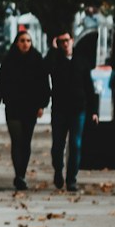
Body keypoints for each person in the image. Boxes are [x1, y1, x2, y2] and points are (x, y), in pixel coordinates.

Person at [0, 29, 50, 190]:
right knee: (17, 140)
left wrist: (42, 105)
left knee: (26, 142)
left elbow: (44, 85)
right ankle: (18, 175)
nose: (25, 44)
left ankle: (22, 173)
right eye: (22, 40)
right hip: (13, 106)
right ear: (17, 43)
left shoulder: (37, 60)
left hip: (30, 107)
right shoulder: (9, 61)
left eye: (28, 41)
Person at [46, 33, 95, 191]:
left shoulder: (81, 61)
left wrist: (93, 111)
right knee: (58, 145)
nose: (65, 44)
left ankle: (72, 178)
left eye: (67, 41)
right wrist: (52, 50)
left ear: (72, 41)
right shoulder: (55, 60)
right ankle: (58, 171)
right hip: (59, 109)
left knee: (76, 144)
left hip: (78, 109)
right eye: (61, 42)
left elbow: (89, 87)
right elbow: (45, 68)